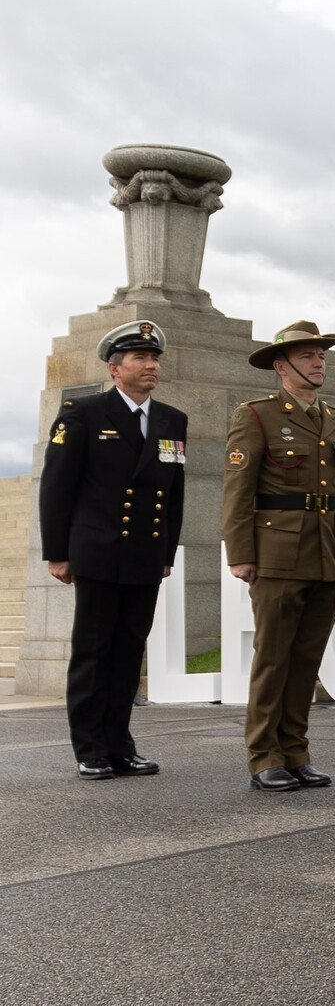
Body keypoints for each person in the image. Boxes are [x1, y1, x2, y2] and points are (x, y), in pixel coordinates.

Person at [39, 321, 188, 780]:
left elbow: (174, 491)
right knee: (94, 651)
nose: (151, 366)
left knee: (128, 652)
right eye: (141, 358)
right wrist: (57, 553)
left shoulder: (171, 420)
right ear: (114, 368)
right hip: (99, 551)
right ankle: (90, 748)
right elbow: (57, 488)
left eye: (155, 358)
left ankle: (121, 745)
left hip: (145, 554)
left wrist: (167, 552)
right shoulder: (82, 413)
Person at [222, 321, 335, 792]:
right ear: (281, 367)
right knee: (273, 658)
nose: (319, 362)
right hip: (277, 552)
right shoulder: (255, 416)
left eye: (322, 355)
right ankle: (264, 756)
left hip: (327, 552)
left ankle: (296, 752)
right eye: (308, 356)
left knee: (307, 659)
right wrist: (241, 554)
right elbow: (238, 491)